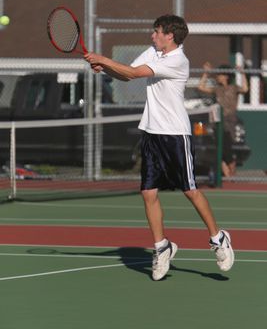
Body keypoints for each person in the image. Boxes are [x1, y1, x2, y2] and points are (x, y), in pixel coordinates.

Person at [84, 14, 234, 281]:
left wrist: (103, 59)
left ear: (170, 36)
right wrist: (105, 68)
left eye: (157, 32)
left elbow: (131, 72)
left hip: (176, 135)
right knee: (148, 193)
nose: (152, 36)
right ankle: (161, 246)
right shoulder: (154, 51)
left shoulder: (178, 60)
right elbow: (126, 75)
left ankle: (218, 238)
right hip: (152, 132)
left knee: (190, 191)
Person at [198, 61, 248, 177]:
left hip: (230, 122)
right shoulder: (217, 89)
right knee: (217, 147)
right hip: (218, 122)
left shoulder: (234, 88)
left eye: (219, 75)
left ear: (226, 76)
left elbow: (245, 89)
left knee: (227, 148)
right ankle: (226, 172)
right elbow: (201, 87)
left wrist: (242, 73)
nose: (217, 77)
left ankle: (231, 170)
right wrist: (206, 73)